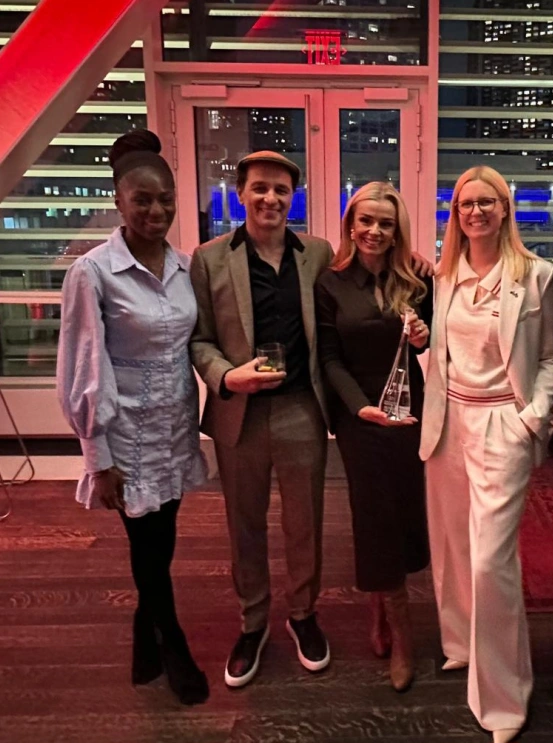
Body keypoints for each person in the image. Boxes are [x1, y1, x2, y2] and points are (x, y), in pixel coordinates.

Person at [56, 129, 209, 705]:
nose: (156, 210)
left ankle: (144, 637)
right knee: (147, 550)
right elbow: (82, 368)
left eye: (165, 198)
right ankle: (172, 645)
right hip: (126, 441)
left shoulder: (183, 267)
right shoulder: (93, 274)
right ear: (118, 200)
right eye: (142, 199)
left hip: (173, 431)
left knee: (161, 543)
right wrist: (98, 456)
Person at [419, 165, 553, 743]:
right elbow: (446, 350)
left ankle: (505, 698)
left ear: (505, 208)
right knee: (452, 546)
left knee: (491, 562)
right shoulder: (445, 273)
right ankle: (459, 644)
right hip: (449, 420)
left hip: (505, 419)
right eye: (463, 205)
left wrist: (536, 417)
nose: (474, 213)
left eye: (486, 202)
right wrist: (421, 343)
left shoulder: (537, 275)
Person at [190, 151, 333, 687]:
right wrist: (228, 377)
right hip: (239, 413)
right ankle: (252, 622)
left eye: (281, 190)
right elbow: (200, 338)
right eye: (260, 189)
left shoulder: (316, 254)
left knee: (305, 524)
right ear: (241, 194)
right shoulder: (208, 259)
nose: (271, 198)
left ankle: (302, 615)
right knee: (243, 525)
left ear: (292, 198)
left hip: (301, 409)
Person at [315, 182, 432, 692]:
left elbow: (436, 337)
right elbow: (328, 357)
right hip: (360, 418)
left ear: (397, 230)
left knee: (404, 514)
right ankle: (401, 632)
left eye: (385, 223)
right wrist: (357, 407)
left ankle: (382, 606)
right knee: (373, 517)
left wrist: (426, 334)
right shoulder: (330, 283)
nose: (374, 231)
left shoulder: (418, 280)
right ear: (350, 225)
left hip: (411, 413)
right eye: (366, 220)